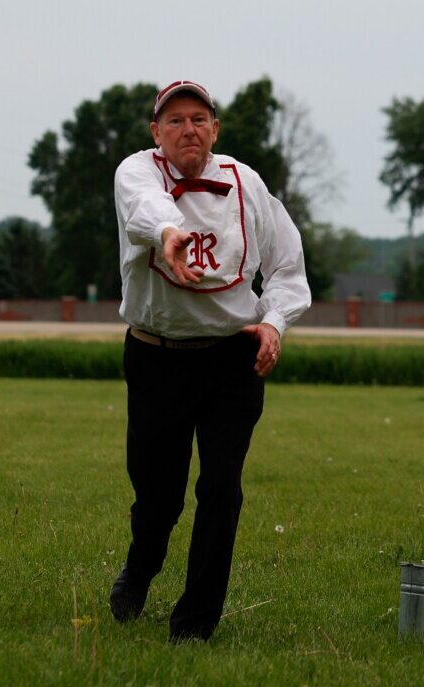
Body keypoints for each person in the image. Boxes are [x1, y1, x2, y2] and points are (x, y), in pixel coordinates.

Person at [108, 79, 311, 643]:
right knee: (159, 495)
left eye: (198, 118)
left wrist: (273, 322)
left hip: (229, 361)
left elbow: (288, 267)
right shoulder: (137, 172)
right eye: (174, 120)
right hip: (156, 357)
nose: (187, 129)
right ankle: (141, 569)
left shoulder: (247, 185)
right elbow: (143, 210)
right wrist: (170, 232)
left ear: (215, 129)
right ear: (156, 133)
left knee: (221, 488)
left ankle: (195, 625)